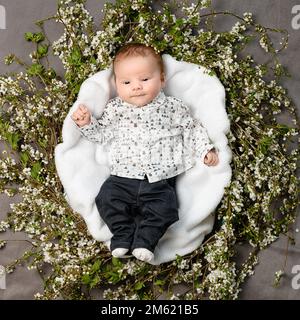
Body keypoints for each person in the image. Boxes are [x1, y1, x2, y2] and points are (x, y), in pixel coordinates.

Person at [71, 43, 219, 262]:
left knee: (166, 209)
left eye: (145, 79)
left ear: (161, 79)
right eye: (127, 82)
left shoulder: (173, 107)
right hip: (122, 177)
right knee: (106, 199)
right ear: (117, 84)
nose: (136, 87)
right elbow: (101, 136)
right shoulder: (115, 110)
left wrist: (205, 148)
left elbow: (192, 128)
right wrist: (86, 124)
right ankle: (122, 234)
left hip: (159, 179)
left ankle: (146, 240)